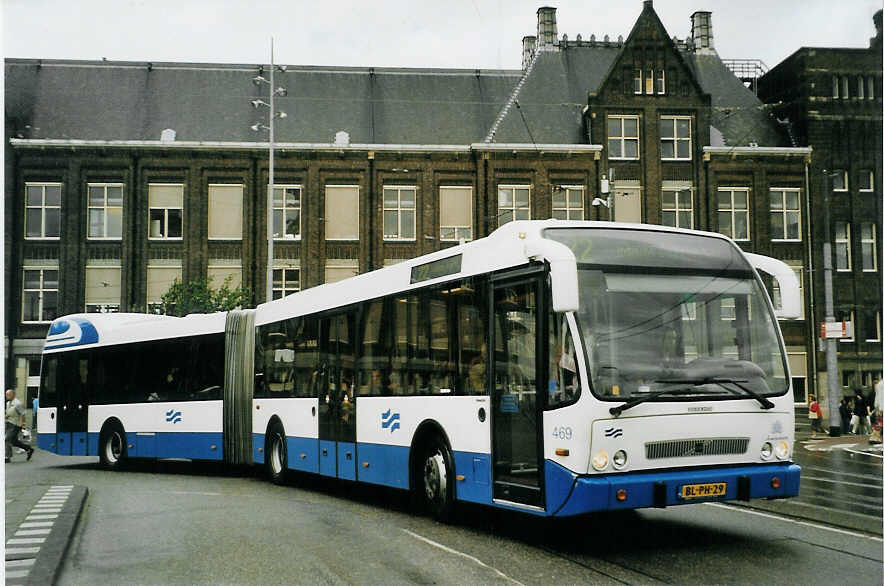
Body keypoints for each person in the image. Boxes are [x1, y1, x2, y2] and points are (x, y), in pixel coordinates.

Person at [6, 389, 34, 463]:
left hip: (16, 424)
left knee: (7, 439)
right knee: (14, 441)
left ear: (13, 395)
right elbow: (9, 413)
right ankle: (29, 449)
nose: (7, 396)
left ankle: (7, 457)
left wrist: (24, 426)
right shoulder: (8, 403)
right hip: (9, 423)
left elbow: (23, 414)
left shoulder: (17, 403)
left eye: (8, 394)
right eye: (6, 395)